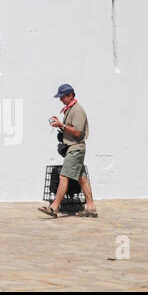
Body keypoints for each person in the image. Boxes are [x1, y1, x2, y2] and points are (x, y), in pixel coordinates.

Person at [40, 83, 97, 217]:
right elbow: (70, 130)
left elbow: (78, 133)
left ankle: (54, 207)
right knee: (81, 178)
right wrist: (60, 125)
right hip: (75, 148)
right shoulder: (70, 109)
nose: (60, 99)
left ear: (70, 95)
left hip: (75, 148)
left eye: (62, 97)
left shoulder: (77, 110)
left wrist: (62, 124)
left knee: (63, 176)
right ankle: (91, 207)